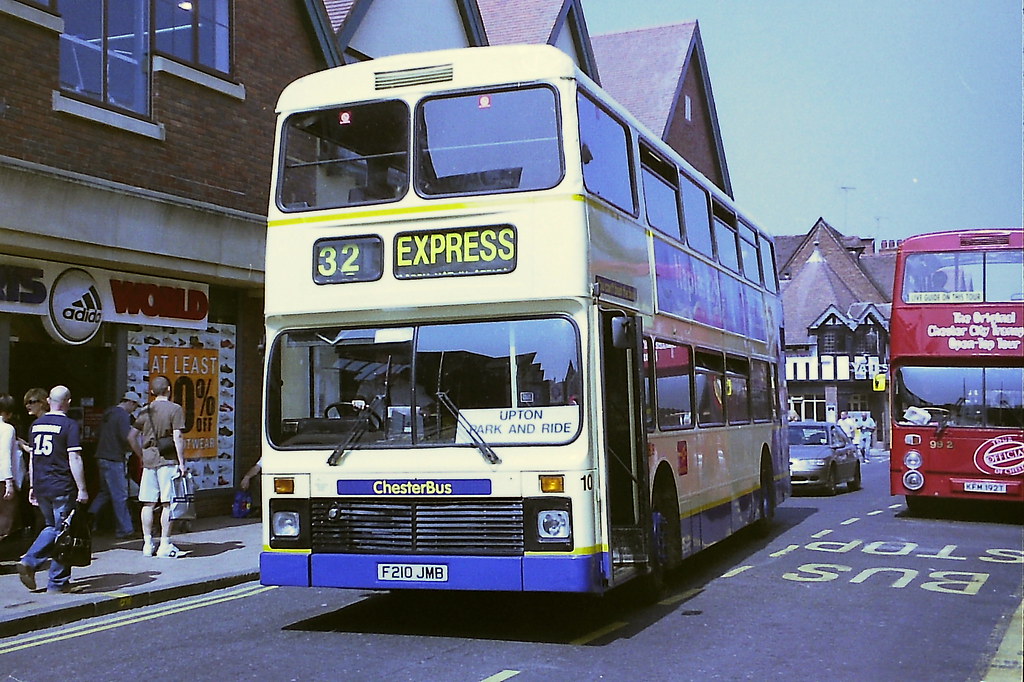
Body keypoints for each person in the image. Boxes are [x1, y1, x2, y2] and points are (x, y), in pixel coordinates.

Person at [17, 385, 89, 593]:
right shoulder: (69, 425)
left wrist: (32, 485)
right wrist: (82, 489)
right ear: (68, 401)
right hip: (61, 485)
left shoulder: (36, 425)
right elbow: (74, 458)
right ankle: (55, 581)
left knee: (51, 527)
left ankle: (30, 563)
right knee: (64, 532)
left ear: (49, 400)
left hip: (41, 484)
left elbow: (33, 457)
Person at [135, 376, 187, 558]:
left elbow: (131, 435)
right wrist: (182, 463)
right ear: (169, 390)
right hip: (168, 460)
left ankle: (147, 544)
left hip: (149, 461)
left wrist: (141, 453)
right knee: (168, 503)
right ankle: (165, 544)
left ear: (152, 392)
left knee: (148, 503)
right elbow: (177, 437)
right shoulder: (175, 409)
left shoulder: (145, 410)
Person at [88, 391, 143, 538]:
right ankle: (125, 530)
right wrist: (139, 453)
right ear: (130, 402)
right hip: (114, 459)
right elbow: (127, 438)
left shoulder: (108, 413)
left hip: (101, 456)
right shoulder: (123, 416)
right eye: (135, 406)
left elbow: (99, 433)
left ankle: (88, 521)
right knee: (120, 496)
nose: (134, 410)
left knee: (104, 493)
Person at [0, 394, 25, 542]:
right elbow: (4, 456)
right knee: (4, 522)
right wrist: (9, 482)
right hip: (2, 479)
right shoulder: (7, 429)